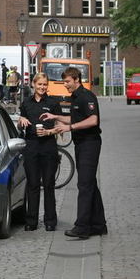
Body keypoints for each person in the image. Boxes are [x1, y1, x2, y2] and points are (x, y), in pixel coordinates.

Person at [40, 66, 107, 240]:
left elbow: (93, 120)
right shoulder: (75, 97)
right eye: (64, 82)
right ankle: (99, 225)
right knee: (89, 183)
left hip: (89, 144)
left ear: (77, 80)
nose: (65, 85)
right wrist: (55, 117)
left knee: (84, 185)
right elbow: (75, 119)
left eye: (68, 82)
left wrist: (69, 128)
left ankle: (82, 227)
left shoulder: (87, 96)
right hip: (81, 144)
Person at [17, 73, 59, 231]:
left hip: (48, 146)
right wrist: (20, 122)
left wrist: (49, 132)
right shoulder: (26, 103)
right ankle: (31, 221)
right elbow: (20, 127)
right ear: (33, 84)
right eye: (39, 84)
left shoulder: (53, 103)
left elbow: (60, 129)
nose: (42, 87)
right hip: (31, 146)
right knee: (33, 184)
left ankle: (50, 221)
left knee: (49, 184)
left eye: (45, 84)